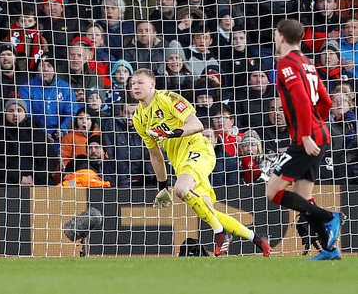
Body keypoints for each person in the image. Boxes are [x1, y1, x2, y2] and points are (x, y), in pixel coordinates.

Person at [130, 68, 271, 257]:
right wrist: (162, 187)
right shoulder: (139, 118)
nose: (135, 86)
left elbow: (197, 125)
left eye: (140, 82)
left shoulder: (168, 99)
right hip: (182, 163)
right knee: (208, 211)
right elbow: (155, 155)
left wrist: (169, 133)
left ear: (152, 84)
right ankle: (257, 238)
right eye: (133, 84)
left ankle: (221, 233)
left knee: (181, 190)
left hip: (198, 150)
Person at [268, 18, 344, 260]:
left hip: (308, 137)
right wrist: (317, 123)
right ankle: (329, 250)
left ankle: (329, 217)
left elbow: (301, 99)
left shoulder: (286, 64)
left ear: (281, 36)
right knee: (302, 196)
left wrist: (306, 134)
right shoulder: (308, 63)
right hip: (319, 133)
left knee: (272, 192)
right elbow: (326, 101)